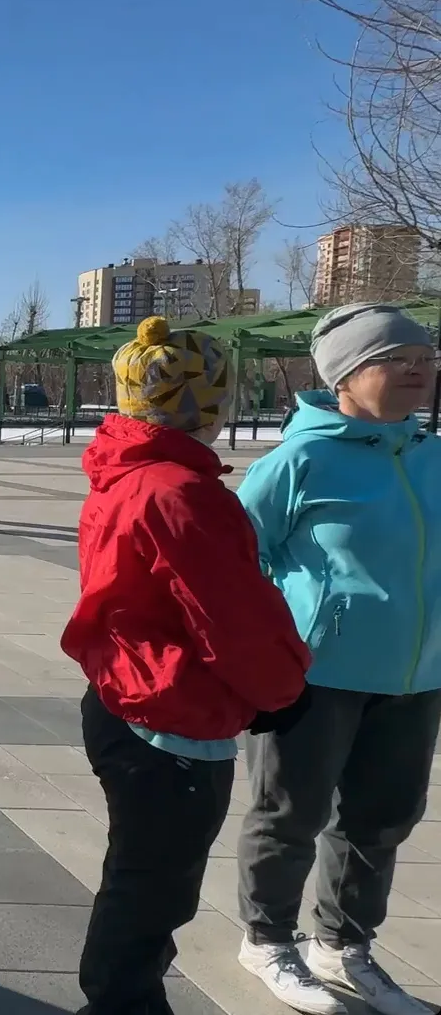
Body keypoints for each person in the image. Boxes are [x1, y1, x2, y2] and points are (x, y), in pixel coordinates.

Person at [62, 317, 313, 1015]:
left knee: (137, 873)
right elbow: (232, 616)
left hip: (123, 692)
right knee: (155, 888)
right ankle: (120, 1004)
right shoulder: (182, 493)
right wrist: (283, 689)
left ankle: (119, 997)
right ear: (212, 403)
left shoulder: (124, 472)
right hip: (168, 711)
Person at [234, 302, 441, 1015]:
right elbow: (238, 558)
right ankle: (266, 939)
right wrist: (282, 637)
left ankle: (344, 945)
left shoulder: (433, 457)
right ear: (345, 377)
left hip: (416, 676)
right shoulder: (299, 460)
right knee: (289, 813)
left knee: (383, 818)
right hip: (314, 677)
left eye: (426, 358)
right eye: (395, 359)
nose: (417, 370)